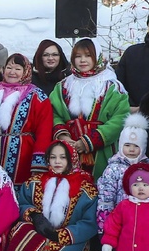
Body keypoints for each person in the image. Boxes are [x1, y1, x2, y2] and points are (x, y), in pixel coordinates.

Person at [0, 140, 100, 251]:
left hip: (69, 244)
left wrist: (60, 235)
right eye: (53, 157)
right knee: (21, 229)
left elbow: (89, 224)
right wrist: (35, 215)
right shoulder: (34, 183)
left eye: (62, 157)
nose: (57, 161)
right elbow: (21, 204)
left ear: (71, 159)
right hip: (41, 234)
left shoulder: (87, 190)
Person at [50, 38, 129, 179]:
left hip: (101, 150)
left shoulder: (112, 87)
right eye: (78, 56)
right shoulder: (63, 86)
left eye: (88, 55)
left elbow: (120, 118)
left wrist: (89, 141)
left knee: (102, 188)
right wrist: (63, 135)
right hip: (69, 149)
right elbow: (54, 113)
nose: (82, 60)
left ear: (97, 57)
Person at [0, 53, 53, 184]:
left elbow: (44, 131)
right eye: (9, 67)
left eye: (18, 69)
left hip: (22, 157)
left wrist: (39, 162)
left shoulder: (37, 96)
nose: (12, 72)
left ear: (26, 72)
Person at [96, 113, 149, 235]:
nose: (131, 149)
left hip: (141, 225)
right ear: (121, 145)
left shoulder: (148, 170)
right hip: (117, 223)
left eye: (136, 146)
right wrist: (103, 227)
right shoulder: (113, 169)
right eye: (127, 145)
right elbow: (106, 198)